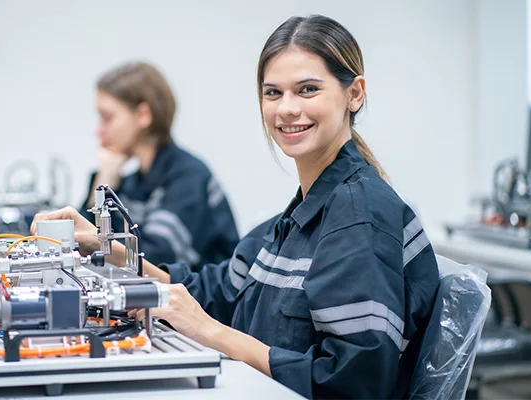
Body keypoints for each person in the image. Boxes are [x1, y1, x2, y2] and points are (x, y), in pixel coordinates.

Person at [32, 15, 439, 399]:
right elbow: (218, 293)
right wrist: (109, 248)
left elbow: (352, 382)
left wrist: (210, 332)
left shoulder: (357, 216)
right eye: (273, 93)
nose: (286, 108)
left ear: (354, 94)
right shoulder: (297, 218)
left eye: (307, 89)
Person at [37, 62, 240, 270]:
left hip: (200, 302)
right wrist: (101, 186)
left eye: (107, 118)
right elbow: (83, 245)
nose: (99, 130)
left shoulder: (188, 177)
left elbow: (154, 260)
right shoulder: (131, 183)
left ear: (143, 115)